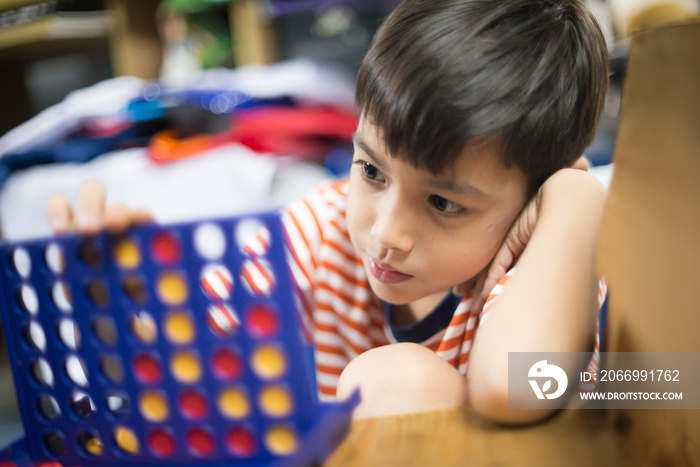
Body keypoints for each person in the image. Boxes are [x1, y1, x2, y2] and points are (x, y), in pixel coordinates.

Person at [47, 0, 609, 424]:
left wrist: (575, 201)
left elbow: (520, 389)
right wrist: (111, 304)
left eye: (442, 203)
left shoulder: (547, 266)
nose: (386, 233)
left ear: (536, 196)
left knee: (399, 381)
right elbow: (196, 369)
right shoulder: (323, 229)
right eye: (371, 171)